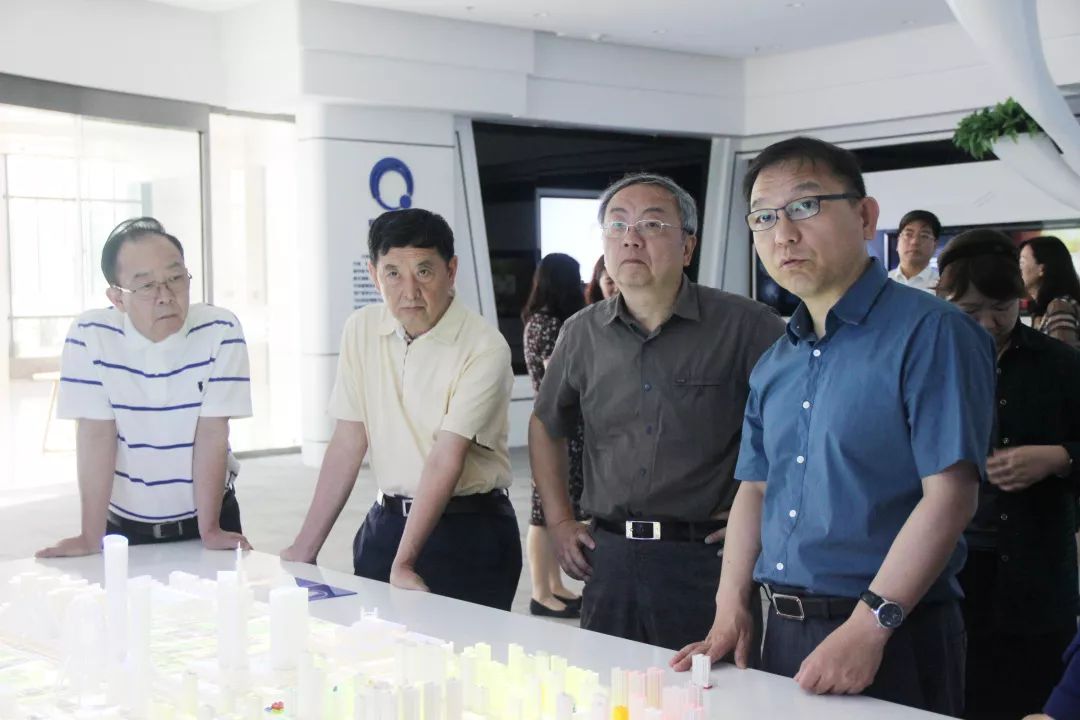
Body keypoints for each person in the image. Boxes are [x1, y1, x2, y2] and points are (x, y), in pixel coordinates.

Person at [674, 137, 995, 717]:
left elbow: (950, 497)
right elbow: (756, 488)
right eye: (763, 217)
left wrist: (871, 626)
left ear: (866, 217)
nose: (783, 234)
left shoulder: (933, 333)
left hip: (892, 631)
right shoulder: (777, 360)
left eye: (805, 206)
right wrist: (730, 607)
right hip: (782, 631)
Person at [529, 172, 785, 652]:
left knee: (710, 689)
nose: (631, 238)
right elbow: (546, 424)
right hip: (609, 557)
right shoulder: (581, 333)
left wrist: (766, 515)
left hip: (707, 560)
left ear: (687, 247)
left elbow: (801, 428)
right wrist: (560, 522)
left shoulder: (747, 326)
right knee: (608, 685)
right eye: (617, 225)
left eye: (651, 224)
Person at [281, 208, 521, 611]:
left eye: (424, 272)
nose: (409, 291)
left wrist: (404, 562)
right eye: (393, 273)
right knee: (376, 648)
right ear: (373, 273)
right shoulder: (361, 329)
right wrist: (305, 547)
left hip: (468, 531)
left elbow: (446, 457)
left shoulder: (484, 347)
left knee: (464, 651)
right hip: (386, 523)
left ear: (451, 270)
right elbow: (348, 440)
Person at [37, 217, 253, 557]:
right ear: (117, 298)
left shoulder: (220, 329)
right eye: (147, 286)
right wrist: (90, 537)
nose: (165, 296)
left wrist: (210, 530)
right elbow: (96, 436)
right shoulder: (90, 335)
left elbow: (213, 432)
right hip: (123, 527)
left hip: (209, 518)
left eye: (175, 278)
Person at [934, 229, 1080, 720]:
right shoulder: (927, 365)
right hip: (947, 568)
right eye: (969, 311)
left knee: (1033, 696)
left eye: (1001, 307)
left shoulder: (1060, 364)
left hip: (1036, 570)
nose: (988, 323)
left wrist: (1059, 457)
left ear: (1021, 297)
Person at [522, 253, 588, 619]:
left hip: (563, 428)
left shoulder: (541, 320)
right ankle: (540, 592)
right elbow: (558, 379)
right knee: (542, 513)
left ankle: (554, 587)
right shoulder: (547, 324)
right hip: (554, 429)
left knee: (553, 510)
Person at [1020, 236, 1080, 350]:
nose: (1018, 269)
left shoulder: (1059, 306)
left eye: (1022, 262)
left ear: (1042, 269)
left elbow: (1063, 356)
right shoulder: (1043, 310)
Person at [888, 209, 941, 292]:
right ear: (898, 241)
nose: (914, 242)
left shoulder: (943, 287)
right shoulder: (881, 283)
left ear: (935, 245)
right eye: (908, 234)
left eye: (924, 236)